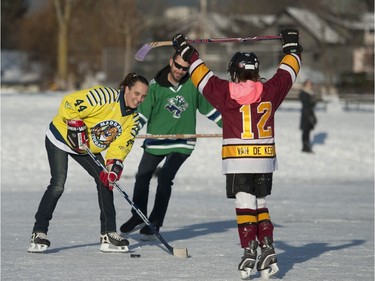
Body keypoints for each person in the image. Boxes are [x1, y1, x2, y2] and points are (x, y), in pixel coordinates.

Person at [172, 29, 302, 279]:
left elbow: (201, 76)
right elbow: (288, 73)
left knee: (245, 203)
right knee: (260, 202)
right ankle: (266, 245)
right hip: (264, 159)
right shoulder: (271, 91)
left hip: (238, 158)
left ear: (234, 72)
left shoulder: (225, 92)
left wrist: (187, 51)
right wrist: (292, 48)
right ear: (256, 71)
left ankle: (249, 247)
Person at [28, 73, 149, 253]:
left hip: (86, 148)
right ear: (126, 89)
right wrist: (75, 125)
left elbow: (120, 146)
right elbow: (69, 102)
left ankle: (108, 235)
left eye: (143, 96)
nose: (139, 99)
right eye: (136, 93)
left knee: (106, 181)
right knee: (58, 184)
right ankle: (39, 233)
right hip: (60, 138)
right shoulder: (105, 97)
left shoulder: (132, 120)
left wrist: (113, 166)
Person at [120, 52, 222, 240]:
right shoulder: (154, 87)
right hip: (156, 142)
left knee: (165, 178)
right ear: (170, 62)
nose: (180, 71)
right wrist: (128, 133)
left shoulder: (192, 85)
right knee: (142, 176)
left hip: (183, 142)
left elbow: (210, 110)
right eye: (177, 66)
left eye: (185, 68)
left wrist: (231, 127)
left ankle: (155, 222)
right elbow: (141, 116)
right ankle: (138, 216)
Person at [299, 79, 317, 153]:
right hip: (306, 114)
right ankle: (305, 147)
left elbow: (312, 104)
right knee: (305, 131)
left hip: (310, 113)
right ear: (305, 85)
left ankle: (307, 146)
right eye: (309, 84)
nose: (311, 86)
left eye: (311, 84)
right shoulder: (303, 93)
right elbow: (307, 104)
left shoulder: (311, 93)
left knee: (308, 131)